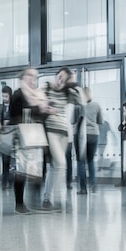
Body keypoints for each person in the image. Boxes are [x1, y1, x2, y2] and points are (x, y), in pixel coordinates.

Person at [40, 67, 85, 211]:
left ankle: (47, 199)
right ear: (56, 75)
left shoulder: (68, 92)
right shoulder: (46, 86)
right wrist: (45, 107)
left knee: (55, 166)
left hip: (64, 132)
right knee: (61, 163)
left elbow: (83, 102)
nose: (60, 81)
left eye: (64, 80)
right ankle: (59, 198)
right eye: (59, 77)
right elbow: (37, 101)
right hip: (51, 130)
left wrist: (75, 83)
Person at [9, 67, 51, 214]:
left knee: (38, 170)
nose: (33, 80)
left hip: (37, 137)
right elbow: (13, 116)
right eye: (30, 76)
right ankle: (19, 204)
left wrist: (45, 112)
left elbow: (40, 116)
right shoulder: (18, 94)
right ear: (23, 77)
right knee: (21, 171)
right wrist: (37, 110)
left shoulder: (39, 95)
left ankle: (35, 201)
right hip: (22, 138)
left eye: (35, 77)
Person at [77, 87, 103, 194]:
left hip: (81, 135)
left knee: (81, 162)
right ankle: (93, 184)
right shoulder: (96, 105)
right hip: (94, 134)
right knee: (91, 160)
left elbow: (73, 121)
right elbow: (100, 121)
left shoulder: (78, 107)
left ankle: (83, 188)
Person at [0, 86, 14, 190]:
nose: (4, 98)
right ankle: (6, 181)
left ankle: (7, 181)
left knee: (11, 161)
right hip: (1, 138)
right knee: (5, 160)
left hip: (12, 137)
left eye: (6, 96)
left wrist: (9, 123)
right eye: (3, 96)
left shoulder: (14, 107)